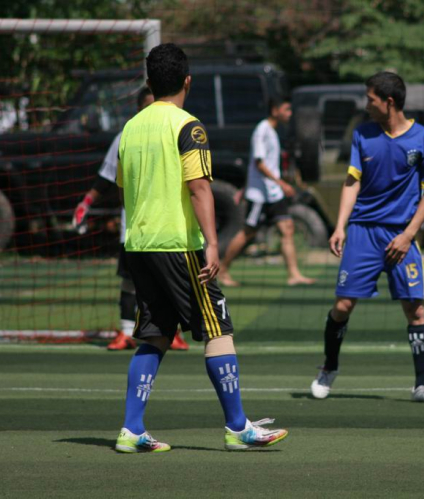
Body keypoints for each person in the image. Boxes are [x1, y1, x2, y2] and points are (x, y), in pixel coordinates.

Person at [114, 43, 287, 453]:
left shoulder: (131, 127)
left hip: (139, 245)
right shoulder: (189, 126)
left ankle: (131, 430)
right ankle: (238, 427)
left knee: (154, 335)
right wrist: (212, 243)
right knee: (218, 328)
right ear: (187, 81)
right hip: (179, 245)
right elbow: (199, 187)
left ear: (149, 82)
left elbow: (124, 189)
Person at [310, 72, 424, 404]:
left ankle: (421, 384)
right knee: (342, 305)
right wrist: (340, 225)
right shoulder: (363, 133)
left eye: (370, 98)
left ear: (388, 102)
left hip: (402, 235)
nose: (365, 104)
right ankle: (328, 368)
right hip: (362, 233)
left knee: (416, 310)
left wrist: (408, 234)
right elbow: (352, 182)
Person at [72, 88, 189, 351]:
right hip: (135, 229)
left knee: (170, 281)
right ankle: (126, 332)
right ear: (138, 109)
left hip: (170, 227)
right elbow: (107, 175)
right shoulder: (126, 135)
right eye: (147, 106)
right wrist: (86, 202)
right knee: (129, 280)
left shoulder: (175, 131)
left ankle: (174, 331)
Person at [219, 98, 316, 287]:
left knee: (287, 228)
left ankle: (294, 274)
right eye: (287, 109)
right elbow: (259, 163)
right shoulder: (262, 130)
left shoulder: (273, 131)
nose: (289, 114)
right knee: (248, 233)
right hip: (261, 195)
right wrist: (281, 184)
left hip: (274, 193)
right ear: (274, 110)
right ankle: (222, 270)